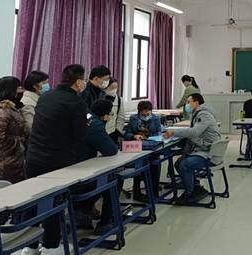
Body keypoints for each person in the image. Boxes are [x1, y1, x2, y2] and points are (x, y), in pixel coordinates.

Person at [24, 64, 88, 255]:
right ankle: (50, 246)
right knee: (54, 202)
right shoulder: (76, 102)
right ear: (78, 82)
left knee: (32, 200)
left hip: (33, 157)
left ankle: (29, 246)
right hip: (57, 161)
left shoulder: (45, 96)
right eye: (83, 79)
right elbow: (80, 135)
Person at [164, 93, 221, 206]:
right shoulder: (198, 113)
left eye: (188, 102)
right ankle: (195, 187)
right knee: (179, 163)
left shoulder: (204, 114)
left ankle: (190, 193)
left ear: (196, 102)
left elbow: (194, 132)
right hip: (205, 149)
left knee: (185, 164)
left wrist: (174, 132)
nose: (187, 105)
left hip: (210, 153)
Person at [74, 99, 120, 235]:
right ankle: (104, 223)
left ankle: (83, 210)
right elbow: (110, 150)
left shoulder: (86, 116)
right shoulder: (95, 124)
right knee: (115, 179)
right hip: (82, 172)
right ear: (105, 114)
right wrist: (103, 123)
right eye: (110, 114)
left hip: (70, 166)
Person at [124, 101, 162, 201]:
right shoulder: (133, 119)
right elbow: (127, 134)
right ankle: (137, 192)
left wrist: (150, 137)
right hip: (138, 148)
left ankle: (153, 192)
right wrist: (134, 136)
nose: (145, 114)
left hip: (152, 147)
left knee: (155, 165)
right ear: (139, 111)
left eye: (148, 112)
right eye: (143, 112)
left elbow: (159, 133)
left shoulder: (155, 118)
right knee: (140, 166)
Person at [0, 76, 27, 184]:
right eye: (19, 87)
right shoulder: (2, 111)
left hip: (13, 161)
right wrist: (19, 141)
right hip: (5, 163)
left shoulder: (13, 108)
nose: (22, 90)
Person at [104, 78, 125, 143]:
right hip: (100, 131)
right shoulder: (100, 97)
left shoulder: (119, 100)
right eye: (112, 88)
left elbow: (121, 118)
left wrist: (117, 131)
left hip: (113, 132)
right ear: (105, 87)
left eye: (116, 87)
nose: (114, 90)